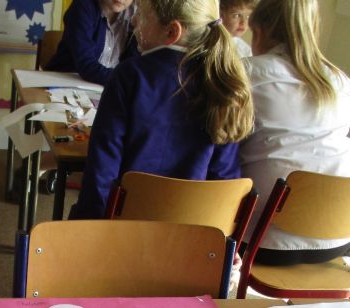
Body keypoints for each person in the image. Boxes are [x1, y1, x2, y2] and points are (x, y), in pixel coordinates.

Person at [69, 0, 254, 219]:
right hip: (192, 231)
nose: (134, 20)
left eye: (142, 15)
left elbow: (101, 171)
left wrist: (89, 226)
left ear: (172, 31)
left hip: (124, 228)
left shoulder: (129, 76)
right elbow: (224, 179)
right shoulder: (222, 81)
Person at [240, 0, 350, 265]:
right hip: (338, 237)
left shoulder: (246, 74)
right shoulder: (340, 80)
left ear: (260, 32)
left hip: (262, 240)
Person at [45, 0, 139, 85]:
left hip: (105, 86)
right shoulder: (83, 6)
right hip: (65, 81)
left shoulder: (136, 15)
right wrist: (124, 80)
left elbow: (132, 65)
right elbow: (86, 64)